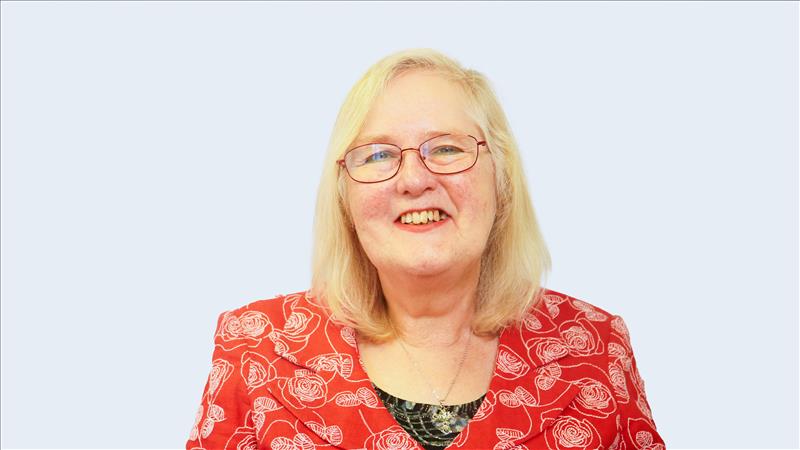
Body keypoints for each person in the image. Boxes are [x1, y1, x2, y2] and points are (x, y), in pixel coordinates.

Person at [186, 49, 664, 450]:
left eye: (448, 149)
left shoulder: (596, 349)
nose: (415, 179)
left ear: (501, 180)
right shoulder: (257, 349)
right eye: (378, 155)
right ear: (344, 198)